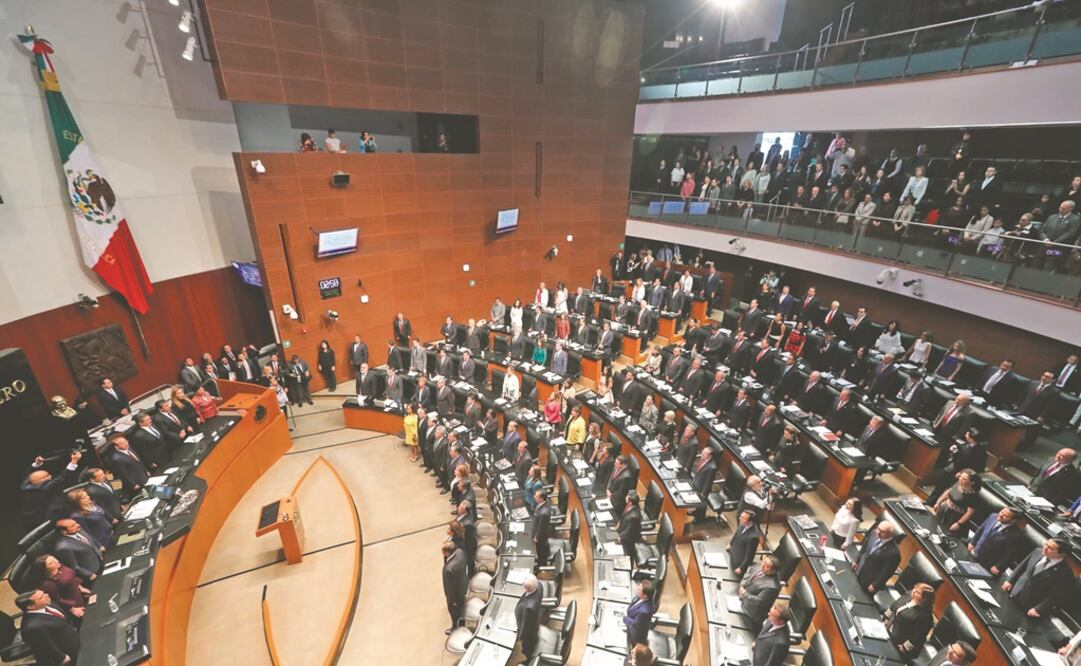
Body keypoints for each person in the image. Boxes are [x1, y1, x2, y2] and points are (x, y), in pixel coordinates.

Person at [1003, 538, 1073, 618]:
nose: (1045, 548)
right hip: (1014, 591)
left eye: (1050, 548)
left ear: (1062, 554)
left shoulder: (1065, 574)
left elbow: (1054, 596)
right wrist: (1010, 581)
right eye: (1046, 544)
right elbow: (1022, 567)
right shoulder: (1037, 551)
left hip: (1029, 606)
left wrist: (1038, 609)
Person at [14, 589, 80, 666]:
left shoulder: (47, 603)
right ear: (31, 606)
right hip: (72, 651)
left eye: (44, 593)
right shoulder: (32, 628)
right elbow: (48, 647)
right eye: (41, 597)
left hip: (75, 634)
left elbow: (64, 620)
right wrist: (63, 658)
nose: (47, 595)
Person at [19, 451, 82, 532]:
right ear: (40, 480)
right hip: (40, 520)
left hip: (27, 517)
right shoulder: (44, 488)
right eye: (47, 476)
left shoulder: (25, 485)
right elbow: (61, 478)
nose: (50, 476)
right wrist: (74, 461)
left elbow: (29, 472)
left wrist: (37, 463)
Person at [884, 583, 935, 660]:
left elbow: (918, 638)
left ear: (924, 599)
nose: (913, 591)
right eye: (914, 589)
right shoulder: (908, 595)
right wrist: (886, 618)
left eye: (917, 592)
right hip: (888, 631)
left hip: (898, 644)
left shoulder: (925, 617)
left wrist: (905, 648)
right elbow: (894, 605)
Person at [968, 506, 1024, 576]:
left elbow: (1010, 555)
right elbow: (981, 529)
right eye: (1001, 512)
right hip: (975, 553)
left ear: (1013, 520)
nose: (1000, 515)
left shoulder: (1015, 535)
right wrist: (972, 542)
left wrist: (999, 567)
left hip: (989, 565)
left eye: (1005, 516)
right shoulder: (993, 516)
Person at [852, 521, 900, 594]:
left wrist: (875, 584)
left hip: (868, 580)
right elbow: (864, 548)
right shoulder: (873, 533)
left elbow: (887, 572)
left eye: (882, 531)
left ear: (890, 534)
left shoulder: (894, 553)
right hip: (858, 569)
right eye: (878, 529)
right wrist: (856, 560)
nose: (878, 532)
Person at [54, 518, 103, 583]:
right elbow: (74, 567)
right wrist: (89, 575)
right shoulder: (63, 548)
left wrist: (99, 554)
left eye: (75, 523)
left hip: (100, 563)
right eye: (72, 525)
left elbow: (90, 543)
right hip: (93, 574)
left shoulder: (78, 530)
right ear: (64, 532)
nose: (78, 525)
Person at [739, 555, 782, 625]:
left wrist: (744, 594)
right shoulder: (763, 565)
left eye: (767, 566)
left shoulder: (772, 587)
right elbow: (749, 570)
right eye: (764, 562)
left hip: (750, 612)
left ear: (773, 571)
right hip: (742, 596)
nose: (762, 566)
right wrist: (742, 584)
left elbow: (759, 601)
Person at [441, 541, 467, 633]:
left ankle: (455, 628)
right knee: (462, 608)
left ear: (447, 552)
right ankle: (461, 622)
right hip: (462, 586)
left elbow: (451, 588)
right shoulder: (460, 552)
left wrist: (453, 601)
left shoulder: (449, 569)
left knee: (454, 612)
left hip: (454, 596)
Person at [623, 579, 656, 652]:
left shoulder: (645, 611)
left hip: (635, 634)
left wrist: (624, 618)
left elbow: (635, 624)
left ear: (645, 595)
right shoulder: (642, 597)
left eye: (639, 589)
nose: (637, 588)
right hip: (631, 619)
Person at [515, 574, 543, 657]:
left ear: (528, 588)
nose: (522, 585)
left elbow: (525, 628)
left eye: (523, 584)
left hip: (530, 635)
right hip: (534, 620)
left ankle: (528, 659)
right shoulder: (539, 585)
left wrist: (520, 638)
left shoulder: (529, 609)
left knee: (527, 650)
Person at [727, 510, 761, 577]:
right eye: (741, 516)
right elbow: (736, 534)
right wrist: (730, 543)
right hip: (732, 553)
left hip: (738, 563)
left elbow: (749, 556)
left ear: (750, 521)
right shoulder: (742, 524)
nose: (740, 518)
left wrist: (741, 568)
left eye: (743, 518)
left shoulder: (753, 537)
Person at [617, 490, 642, 565]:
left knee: (628, 556)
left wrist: (620, 536)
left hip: (629, 540)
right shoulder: (631, 506)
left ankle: (629, 570)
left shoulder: (634, 517)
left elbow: (629, 531)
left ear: (630, 502)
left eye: (627, 497)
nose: (625, 498)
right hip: (623, 530)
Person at [532, 489, 551, 568]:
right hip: (540, 529)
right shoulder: (544, 503)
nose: (534, 497)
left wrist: (536, 537)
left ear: (541, 499)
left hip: (541, 536)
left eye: (536, 496)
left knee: (540, 550)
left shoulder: (543, 513)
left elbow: (541, 528)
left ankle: (541, 565)